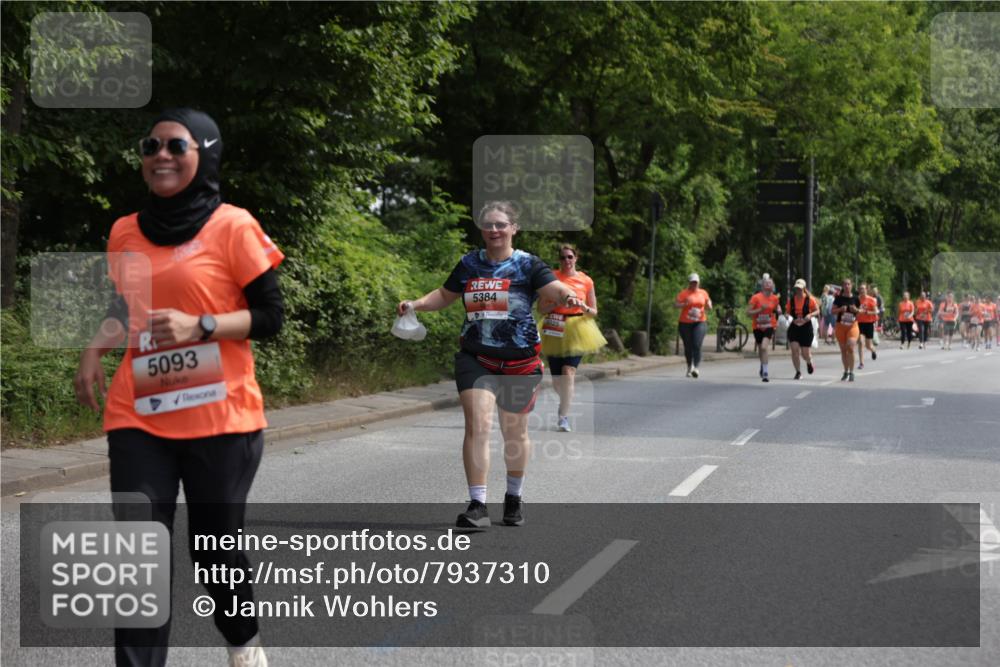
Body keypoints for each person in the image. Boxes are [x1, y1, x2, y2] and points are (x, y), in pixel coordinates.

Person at [73, 109, 283, 667]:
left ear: (204, 153)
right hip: (139, 411)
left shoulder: (233, 226)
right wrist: (94, 350)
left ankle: (243, 642)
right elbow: (126, 306)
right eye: (151, 145)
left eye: (176, 145)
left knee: (213, 549)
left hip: (222, 416)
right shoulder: (123, 230)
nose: (161, 154)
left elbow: (270, 315)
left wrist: (204, 325)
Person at [398, 201, 580, 529]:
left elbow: (552, 288)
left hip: (520, 361)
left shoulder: (528, 265)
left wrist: (567, 295)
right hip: (476, 357)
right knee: (478, 426)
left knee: (514, 433)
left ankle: (513, 496)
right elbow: (444, 294)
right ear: (482, 230)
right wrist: (416, 304)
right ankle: (477, 505)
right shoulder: (470, 264)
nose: (494, 230)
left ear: (514, 228)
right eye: (488, 225)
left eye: (500, 224)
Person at [537, 244, 607, 432]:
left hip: (578, 328)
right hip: (554, 326)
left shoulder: (586, 280)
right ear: (559, 260)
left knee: (569, 372)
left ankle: (563, 417)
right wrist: (556, 302)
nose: (566, 261)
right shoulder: (551, 278)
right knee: (557, 381)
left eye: (569, 257)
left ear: (576, 258)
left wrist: (583, 306)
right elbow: (541, 309)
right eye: (562, 258)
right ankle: (565, 402)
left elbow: (593, 312)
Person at [675, 273, 712, 378]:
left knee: (697, 344)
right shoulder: (684, 293)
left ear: (698, 283)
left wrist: (709, 305)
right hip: (685, 323)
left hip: (700, 322)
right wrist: (683, 304)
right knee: (688, 346)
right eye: (692, 282)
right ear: (689, 283)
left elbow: (708, 302)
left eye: (696, 282)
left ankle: (696, 367)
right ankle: (689, 366)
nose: (694, 284)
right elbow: (676, 304)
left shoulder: (703, 293)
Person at [747, 276, 781, 382]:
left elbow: (777, 309)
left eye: (770, 283)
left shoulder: (775, 298)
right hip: (757, 326)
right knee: (761, 349)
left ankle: (765, 372)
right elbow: (748, 313)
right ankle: (762, 365)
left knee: (764, 346)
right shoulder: (756, 297)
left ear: (773, 286)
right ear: (762, 286)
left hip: (769, 325)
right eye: (766, 283)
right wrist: (759, 309)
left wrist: (779, 311)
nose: (768, 284)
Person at [785, 278, 819, 379]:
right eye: (797, 288)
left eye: (800, 288)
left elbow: (817, 311)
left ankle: (809, 362)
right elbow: (786, 312)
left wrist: (810, 315)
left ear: (804, 288)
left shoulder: (810, 299)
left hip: (806, 328)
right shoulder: (791, 300)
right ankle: (798, 372)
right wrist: (788, 317)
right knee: (794, 350)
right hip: (794, 327)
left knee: (805, 353)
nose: (798, 290)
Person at [832, 277, 861, 382]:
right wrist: (840, 309)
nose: (847, 286)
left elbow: (861, 311)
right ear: (842, 287)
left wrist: (856, 310)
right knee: (843, 351)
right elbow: (832, 311)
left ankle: (852, 372)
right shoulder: (838, 298)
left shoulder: (856, 298)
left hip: (853, 326)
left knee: (850, 347)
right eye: (845, 284)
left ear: (852, 285)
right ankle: (846, 371)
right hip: (841, 325)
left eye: (848, 284)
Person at [856, 283, 878, 369]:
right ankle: (861, 363)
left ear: (866, 290)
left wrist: (866, 312)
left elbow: (876, 311)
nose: (862, 290)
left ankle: (873, 350)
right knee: (861, 342)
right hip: (859, 323)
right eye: (860, 289)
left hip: (869, 323)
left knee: (868, 345)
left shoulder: (871, 299)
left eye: (863, 289)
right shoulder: (856, 299)